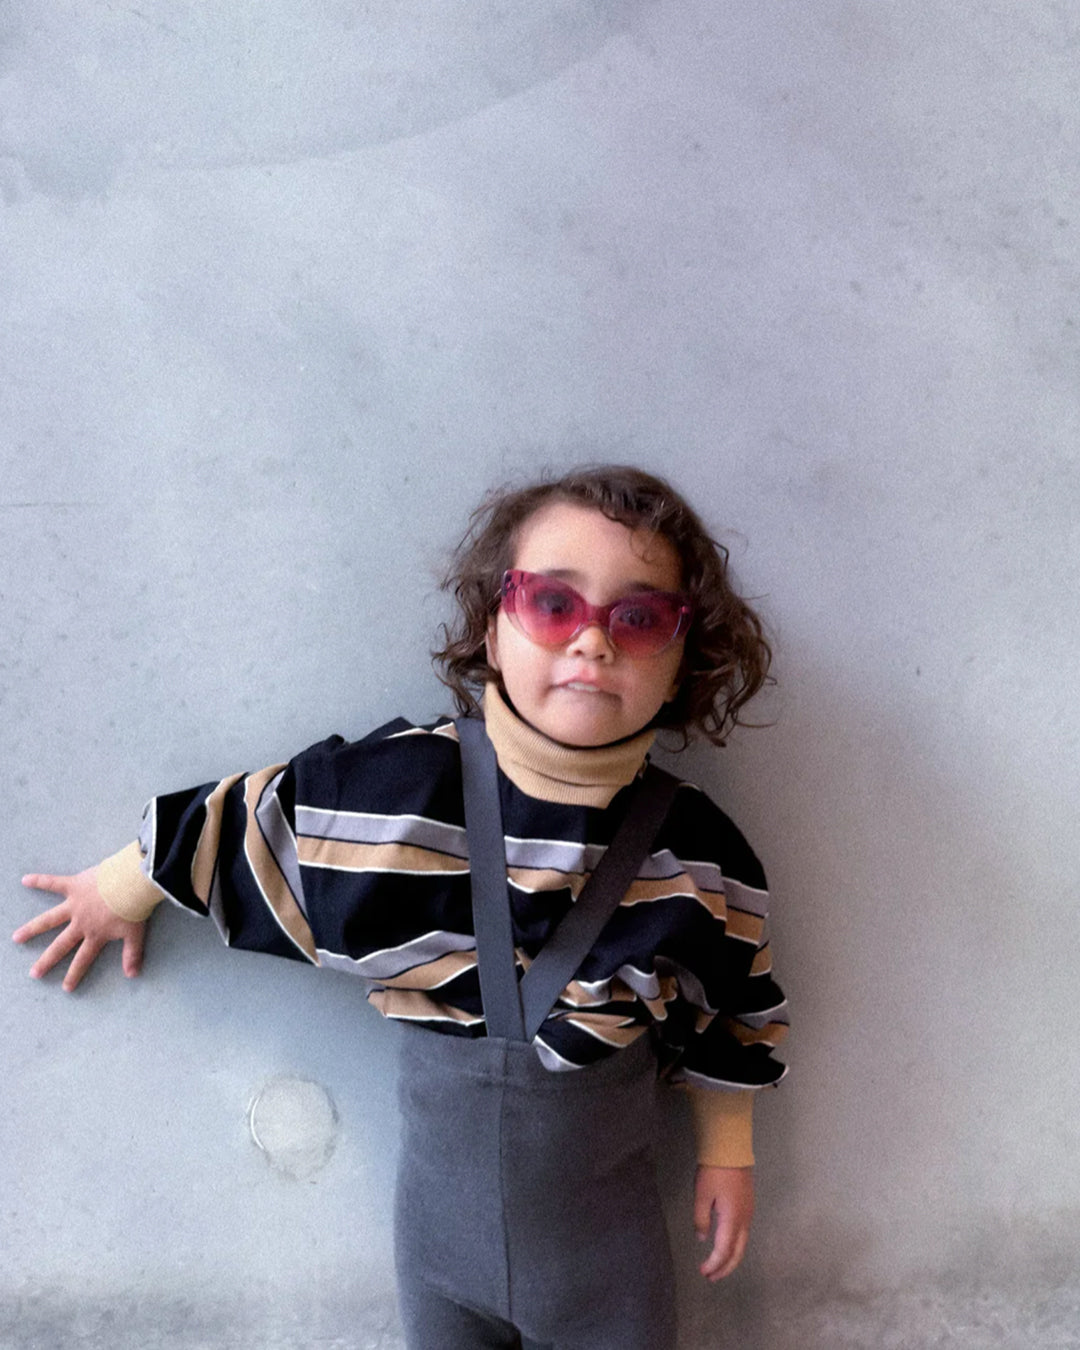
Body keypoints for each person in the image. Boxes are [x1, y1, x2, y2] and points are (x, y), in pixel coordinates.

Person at [14, 464, 788, 1350]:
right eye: (552, 605)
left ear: (686, 657)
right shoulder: (398, 796)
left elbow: (738, 1011)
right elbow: (258, 821)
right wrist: (120, 887)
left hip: (607, 1272)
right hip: (438, 1265)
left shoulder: (701, 857)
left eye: (639, 618)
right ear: (492, 630)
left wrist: (728, 1151)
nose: (592, 642)